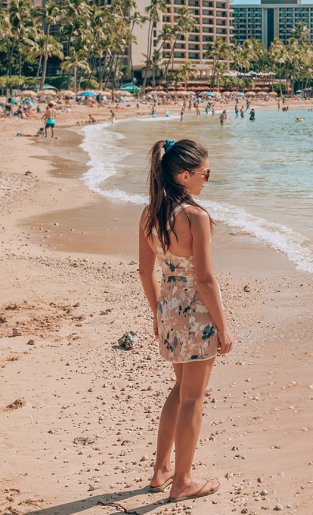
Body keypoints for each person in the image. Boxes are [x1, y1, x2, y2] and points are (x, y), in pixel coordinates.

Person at [137, 139, 232, 502]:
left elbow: (147, 272)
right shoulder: (195, 217)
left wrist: (157, 313)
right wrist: (223, 325)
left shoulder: (149, 214)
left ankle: (162, 470)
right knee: (193, 397)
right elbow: (206, 279)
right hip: (196, 313)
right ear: (185, 175)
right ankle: (183, 481)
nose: (207, 179)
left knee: (179, 391)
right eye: (205, 173)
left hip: (169, 309)